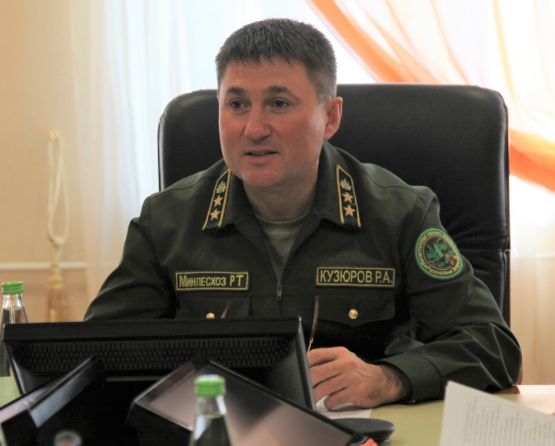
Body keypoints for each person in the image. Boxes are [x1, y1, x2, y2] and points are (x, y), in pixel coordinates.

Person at [84, 18, 521, 409]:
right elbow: (92, 355)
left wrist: (388, 378)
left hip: (359, 430)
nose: (254, 128)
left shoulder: (400, 213)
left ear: (330, 117)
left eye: (278, 103)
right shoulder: (166, 220)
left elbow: (492, 346)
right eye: (236, 104)